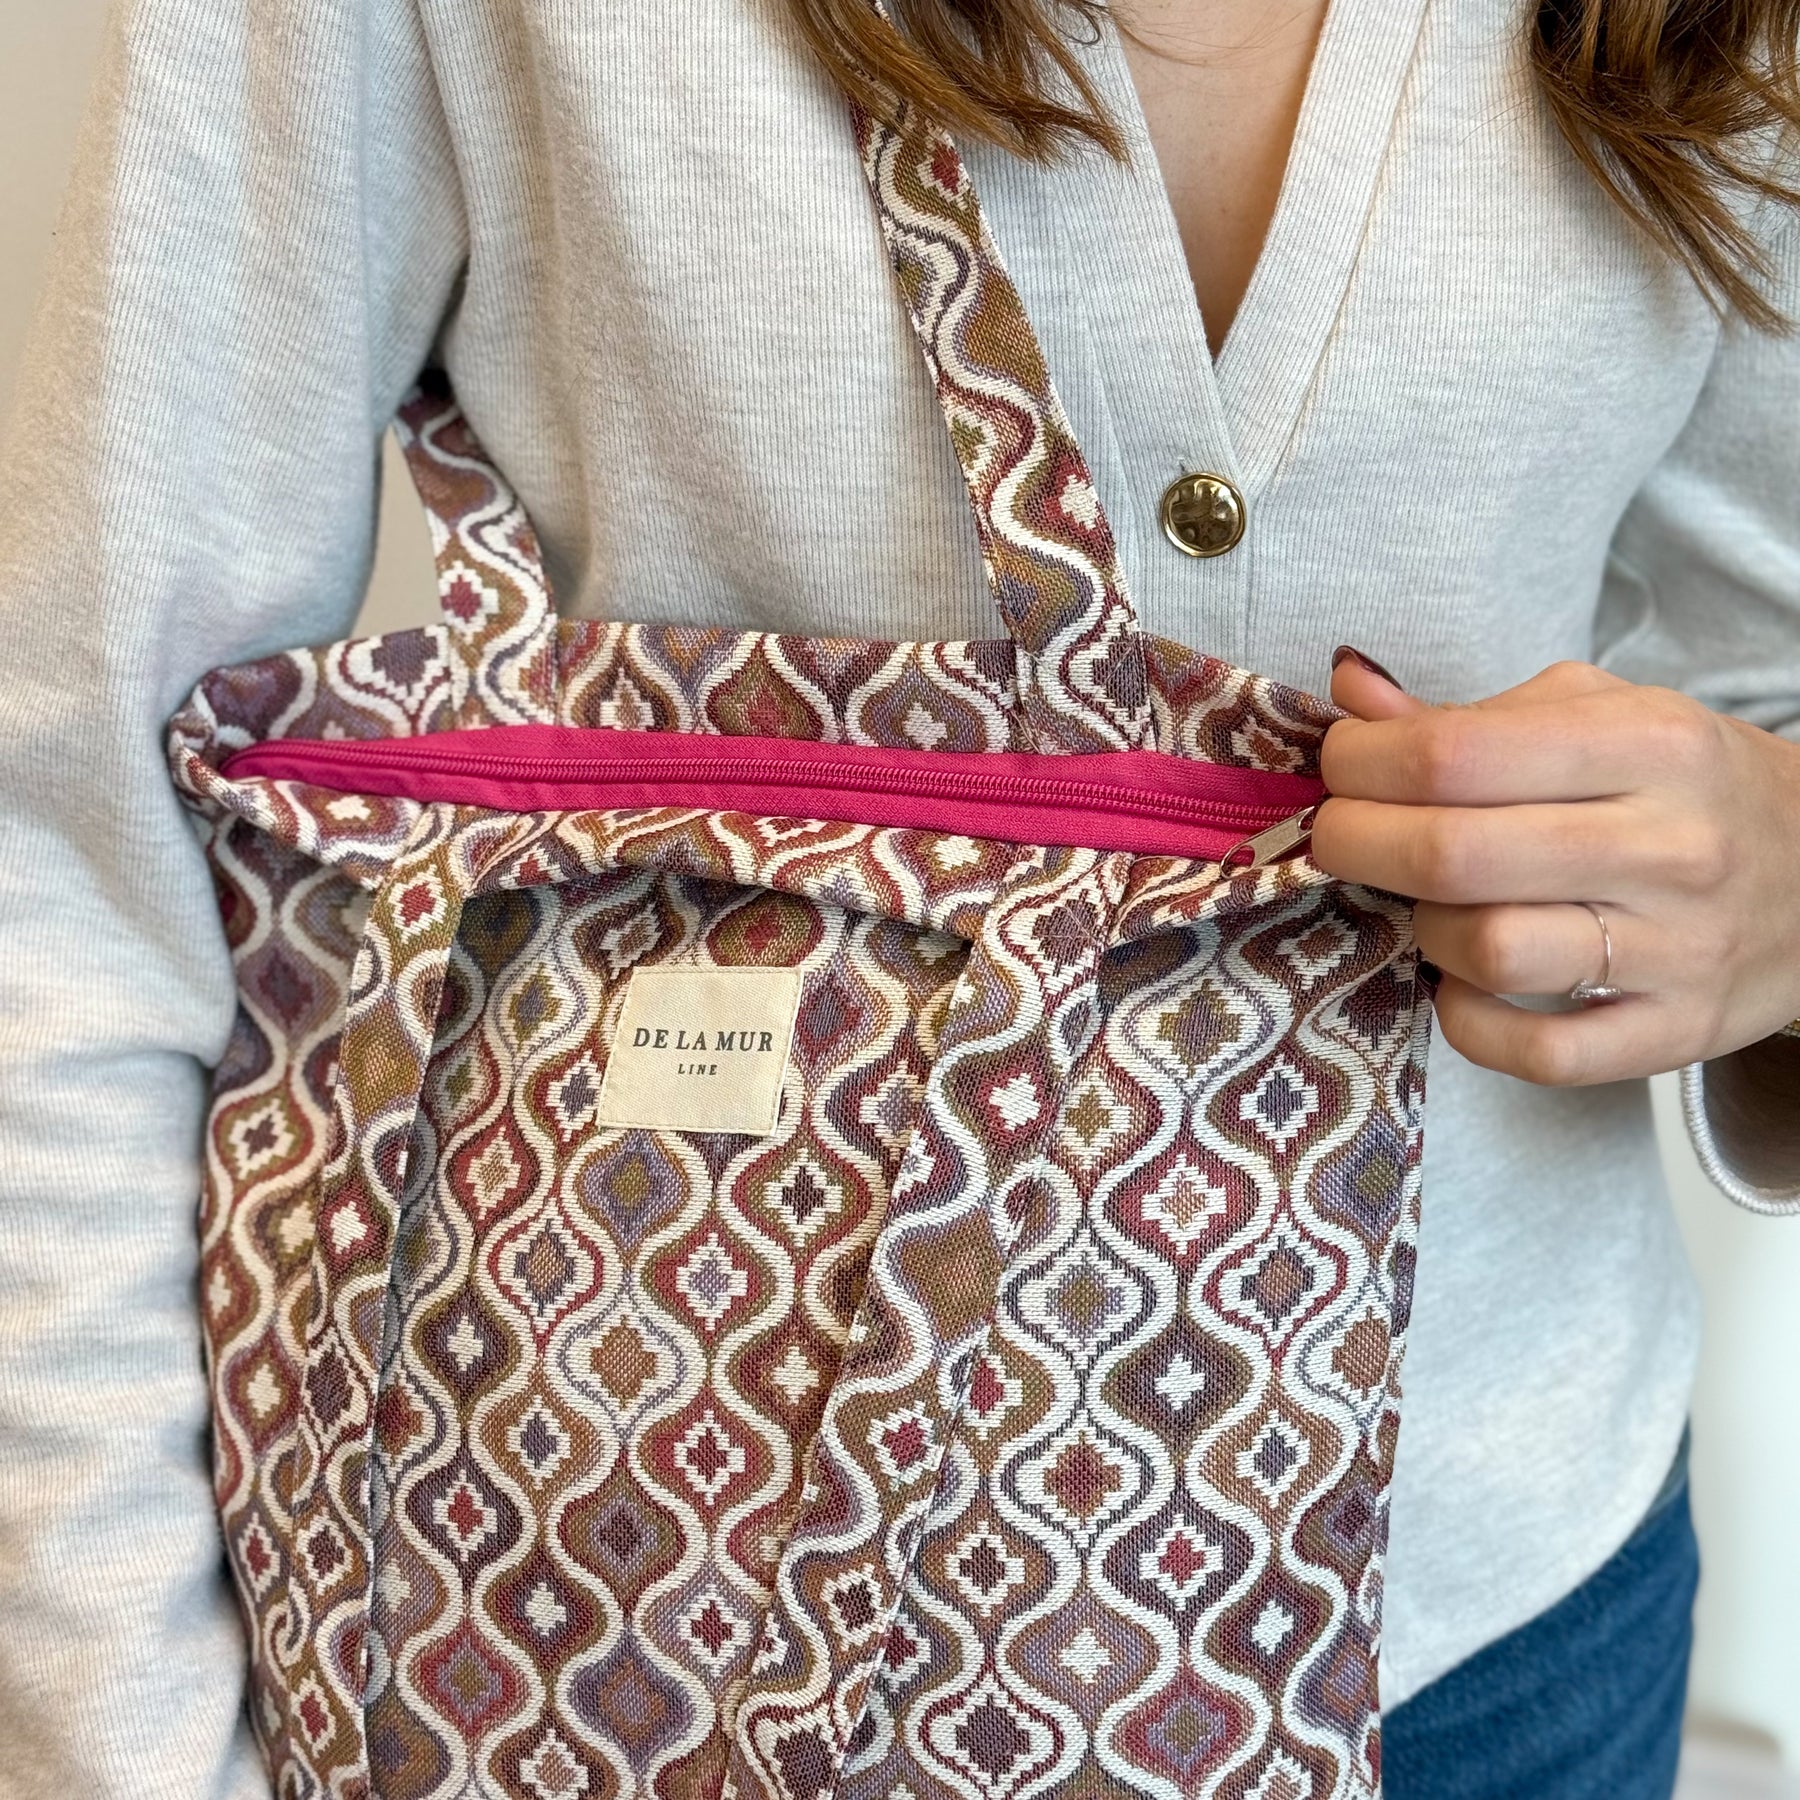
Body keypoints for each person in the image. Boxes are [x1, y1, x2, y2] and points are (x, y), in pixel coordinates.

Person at [0, 0, 1795, 1794]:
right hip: (608, 1630)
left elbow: (1763, 666)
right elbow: (69, 850)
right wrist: (126, 1739)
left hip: (1498, 1636)